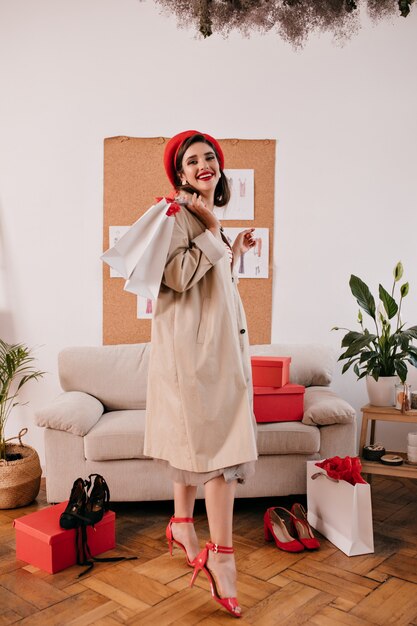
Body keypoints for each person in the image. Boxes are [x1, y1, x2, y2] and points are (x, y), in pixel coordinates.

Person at [144, 130, 258, 618]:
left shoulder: (210, 219)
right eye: (193, 161)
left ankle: (181, 523)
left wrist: (234, 248)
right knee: (220, 451)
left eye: (210, 157)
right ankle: (224, 561)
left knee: (197, 442)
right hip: (196, 356)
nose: (204, 164)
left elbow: (212, 284)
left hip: (220, 350)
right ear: (180, 174)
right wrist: (213, 234)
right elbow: (173, 278)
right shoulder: (178, 216)